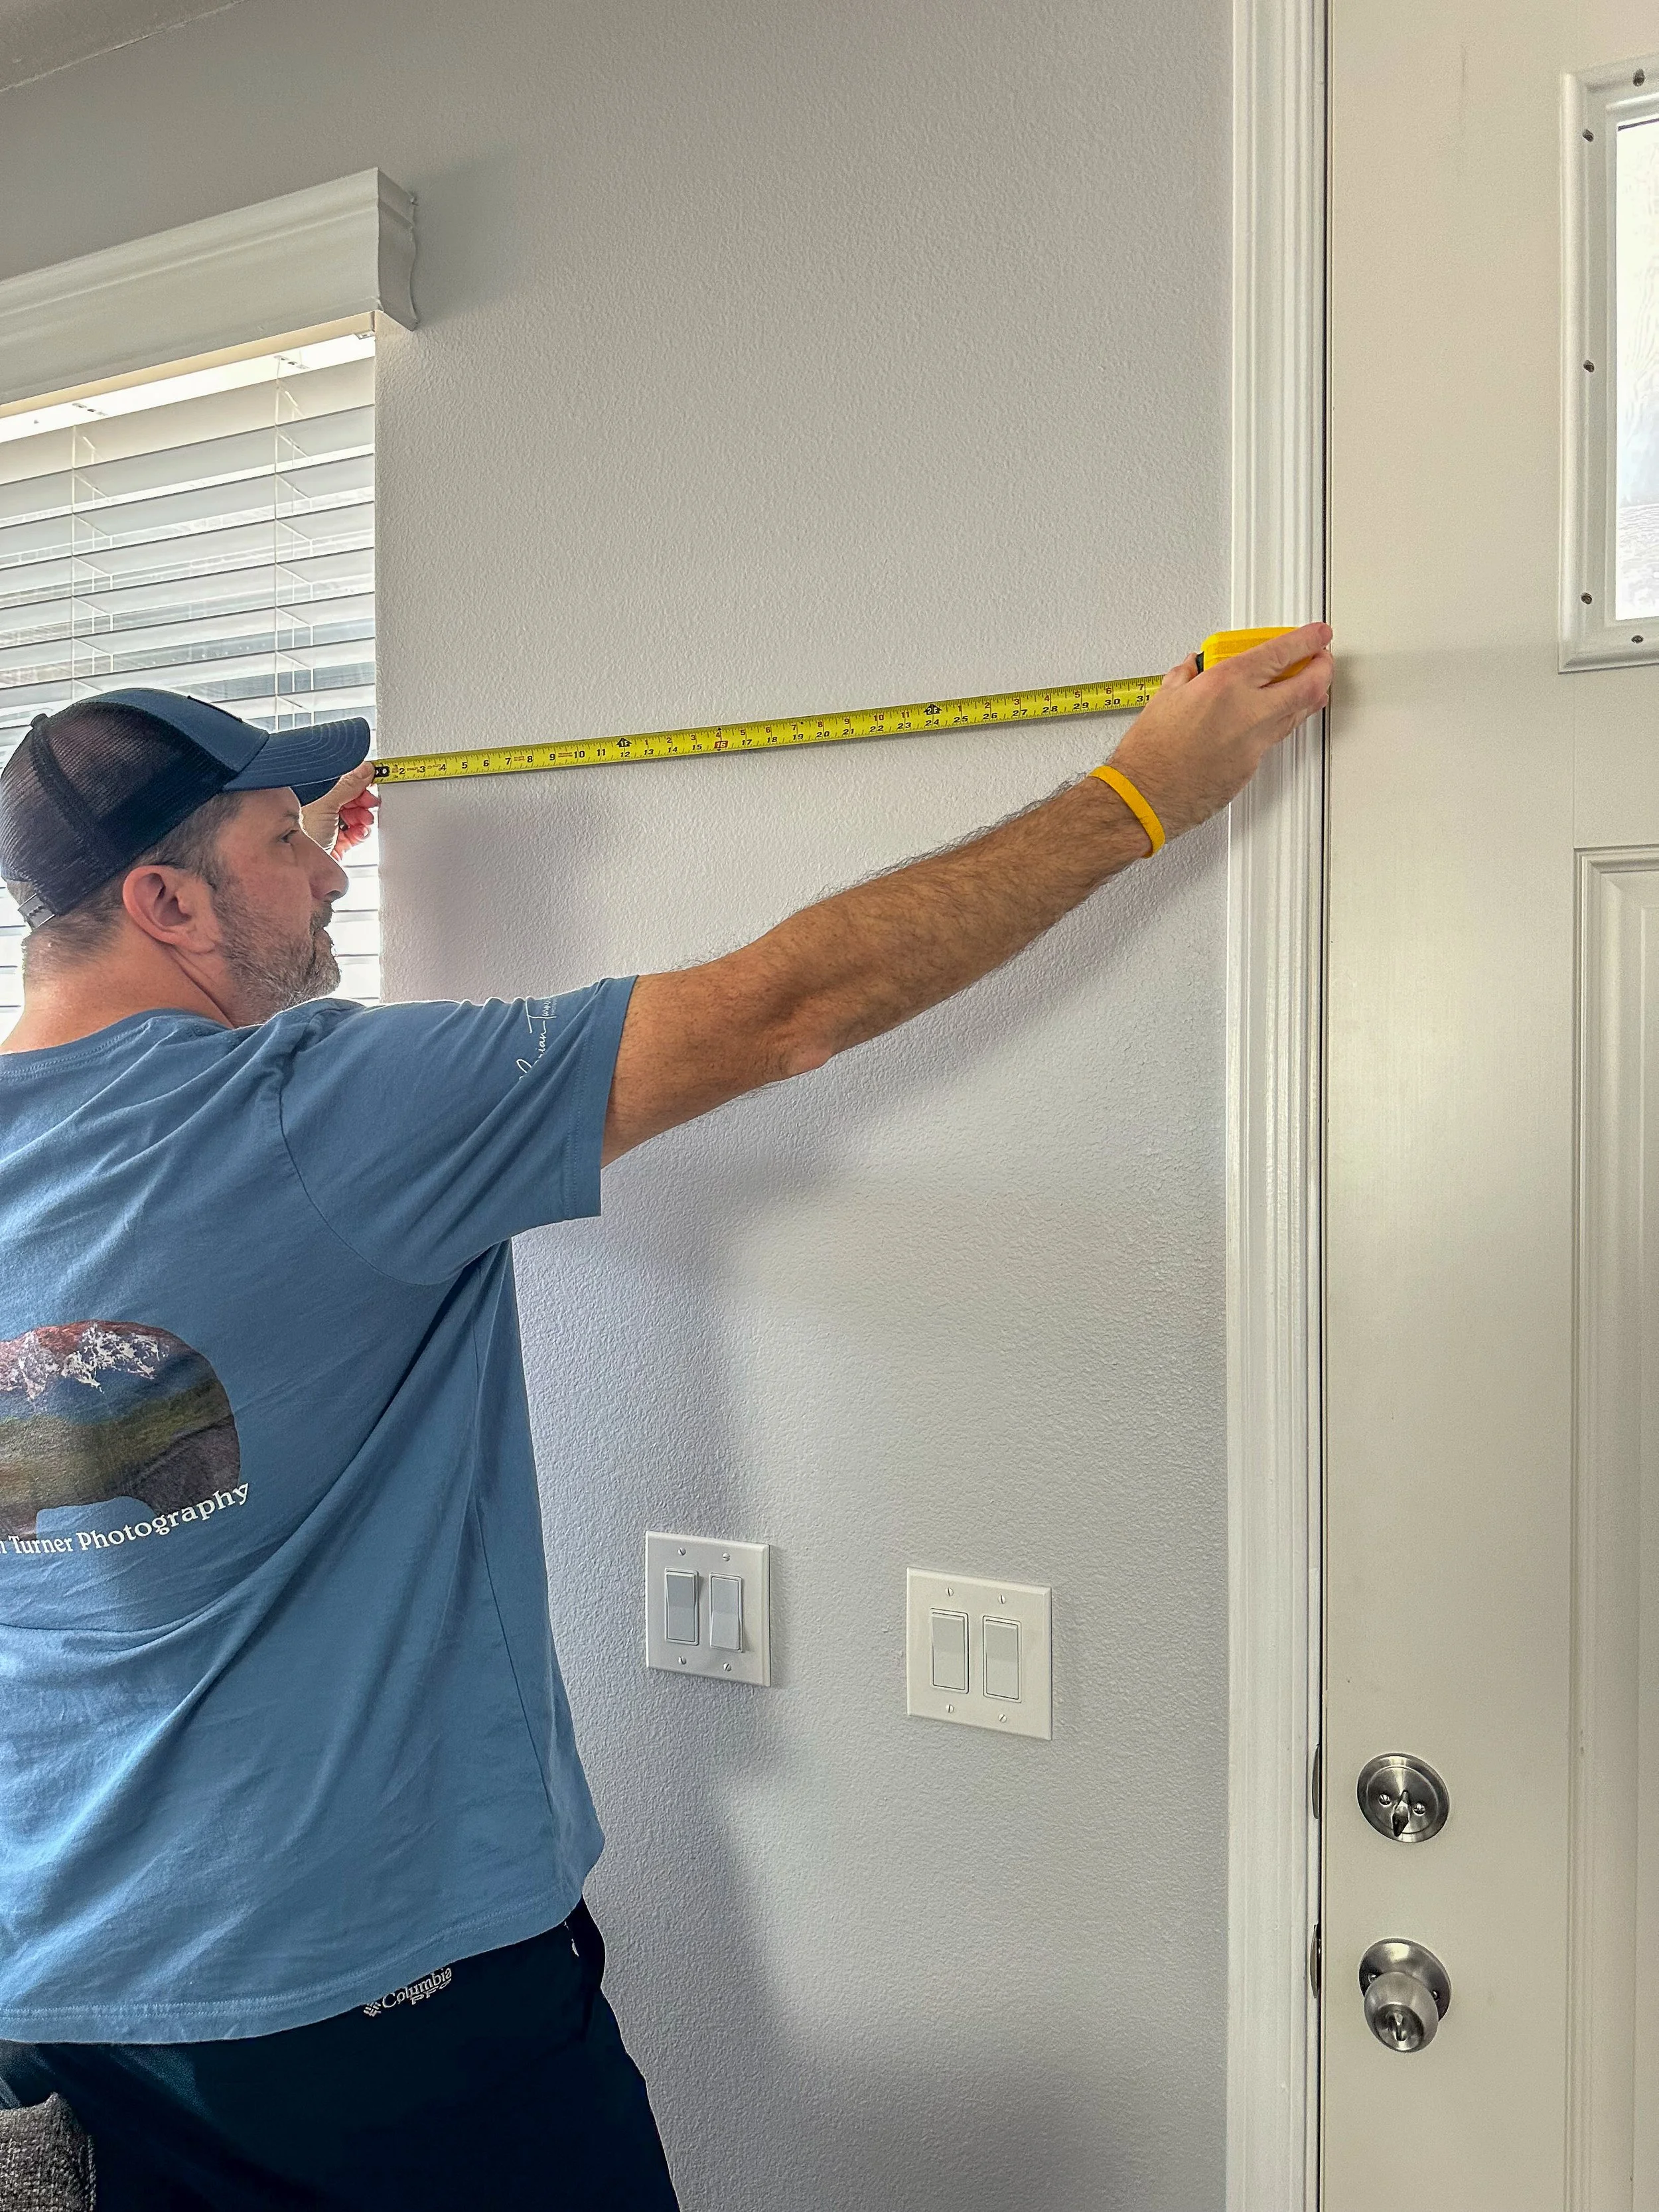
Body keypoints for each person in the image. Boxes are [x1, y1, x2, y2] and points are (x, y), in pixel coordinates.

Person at [0, 625, 1333, 2208]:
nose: (336, 874)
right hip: (373, 2002)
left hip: (67, 1988)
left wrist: (268, 849)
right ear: (166, 901)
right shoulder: (314, 1111)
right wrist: (1139, 794)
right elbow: (789, 1008)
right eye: (287, 847)